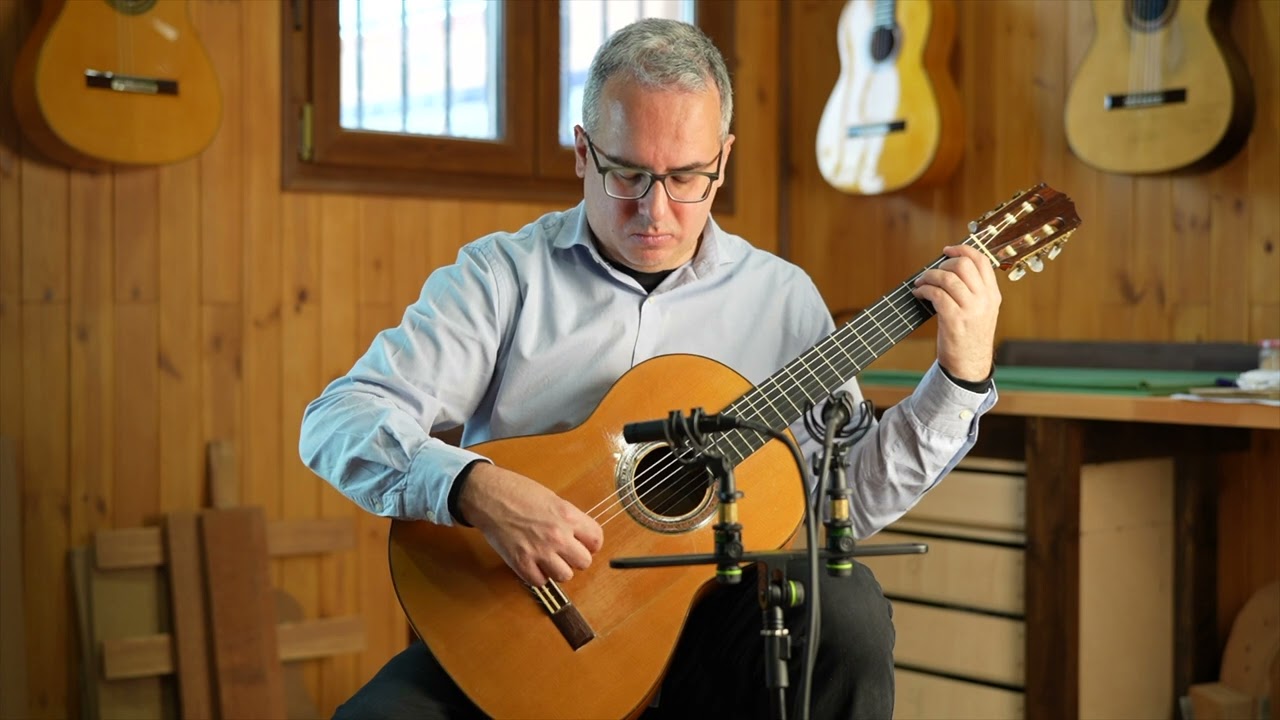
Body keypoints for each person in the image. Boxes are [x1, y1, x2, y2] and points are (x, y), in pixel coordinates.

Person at [300, 17, 1000, 720]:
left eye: (687, 177)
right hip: (517, 626)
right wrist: (474, 488)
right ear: (582, 152)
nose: (655, 210)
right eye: (628, 173)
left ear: (723, 161)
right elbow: (338, 420)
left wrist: (959, 381)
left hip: (713, 645)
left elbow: (846, 503)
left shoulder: (782, 301)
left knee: (845, 604)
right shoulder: (501, 277)